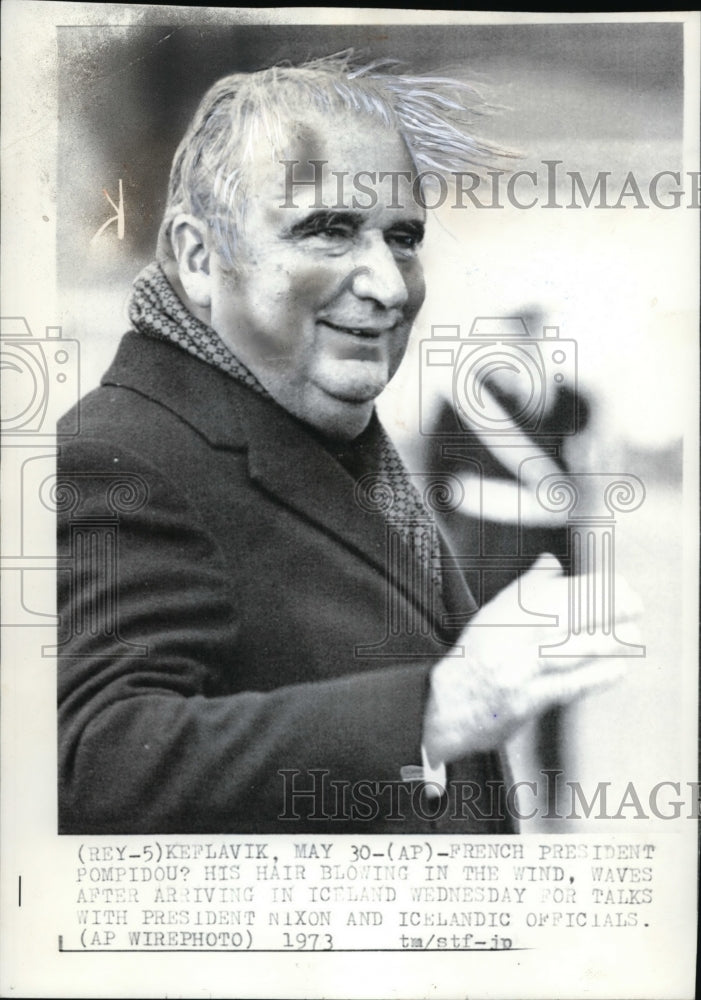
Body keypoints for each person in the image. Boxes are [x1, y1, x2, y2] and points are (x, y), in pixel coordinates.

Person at [57, 54, 638, 834]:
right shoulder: (117, 454)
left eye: (403, 238)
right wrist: (440, 708)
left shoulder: (314, 429)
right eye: (328, 230)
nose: (390, 286)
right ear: (200, 258)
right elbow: (91, 762)